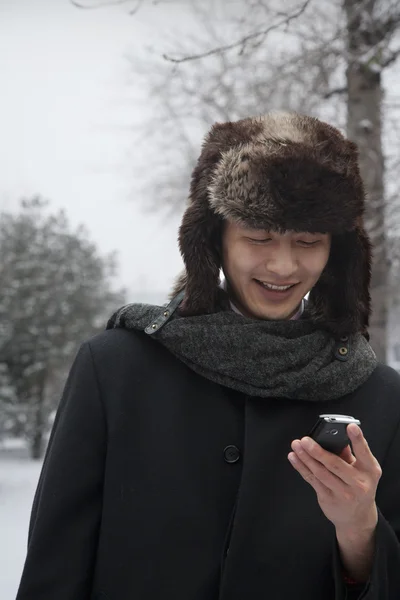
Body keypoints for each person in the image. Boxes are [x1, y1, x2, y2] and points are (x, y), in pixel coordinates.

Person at [16, 112, 400, 600]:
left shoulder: (380, 397)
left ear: (337, 252)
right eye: (259, 238)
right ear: (213, 240)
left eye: (307, 242)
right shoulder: (114, 369)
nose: (283, 266)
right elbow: (55, 567)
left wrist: (359, 530)